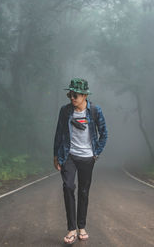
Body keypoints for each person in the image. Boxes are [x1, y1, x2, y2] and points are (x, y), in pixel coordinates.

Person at [53, 78, 108, 244]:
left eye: (75, 94)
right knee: (68, 187)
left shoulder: (95, 111)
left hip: (87, 158)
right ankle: (71, 229)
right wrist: (56, 156)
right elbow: (59, 134)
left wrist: (95, 153)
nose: (72, 97)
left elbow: (104, 133)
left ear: (84, 95)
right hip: (68, 155)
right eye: (70, 94)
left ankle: (81, 226)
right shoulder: (65, 111)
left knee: (84, 192)